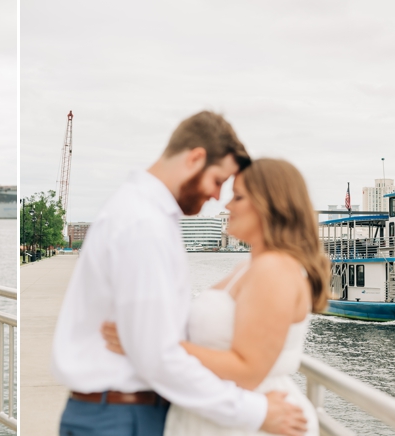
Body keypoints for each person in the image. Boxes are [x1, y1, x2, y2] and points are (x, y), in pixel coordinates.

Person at [51, 111, 308, 436]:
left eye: (233, 192)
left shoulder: (145, 215)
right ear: (195, 158)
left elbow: (154, 345)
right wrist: (256, 412)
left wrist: (143, 341)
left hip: (121, 413)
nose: (219, 197)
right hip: (122, 418)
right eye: (217, 181)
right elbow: (157, 354)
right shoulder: (145, 224)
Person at [102, 158, 327, 435]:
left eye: (239, 196)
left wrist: (147, 342)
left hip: (257, 421)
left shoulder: (274, 270)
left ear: (270, 205)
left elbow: (248, 371)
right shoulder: (249, 267)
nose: (227, 205)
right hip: (225, 416)